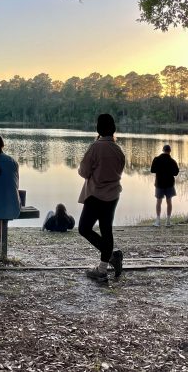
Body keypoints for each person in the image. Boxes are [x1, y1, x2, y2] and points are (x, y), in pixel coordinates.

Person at [78, 114, 125, 282]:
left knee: (84, 228)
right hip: (113, 195)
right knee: (106, 231)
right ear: (112, 129)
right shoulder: (118, 150)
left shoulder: (95, 147)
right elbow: (119, 170)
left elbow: (83, 172)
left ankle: (110, 259)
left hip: (95, 195)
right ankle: (105, 266)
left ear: (98, 128)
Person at [150, 145, 179, 227]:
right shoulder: (172, 161)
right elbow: (176, 173)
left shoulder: (157, 159)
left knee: (158, 202)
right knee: (169, 202)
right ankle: (168, 221)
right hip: (169, 184)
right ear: (170, 151)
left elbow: (152, 170)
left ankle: (158, 221)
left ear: (163, 150)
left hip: (159, 184)